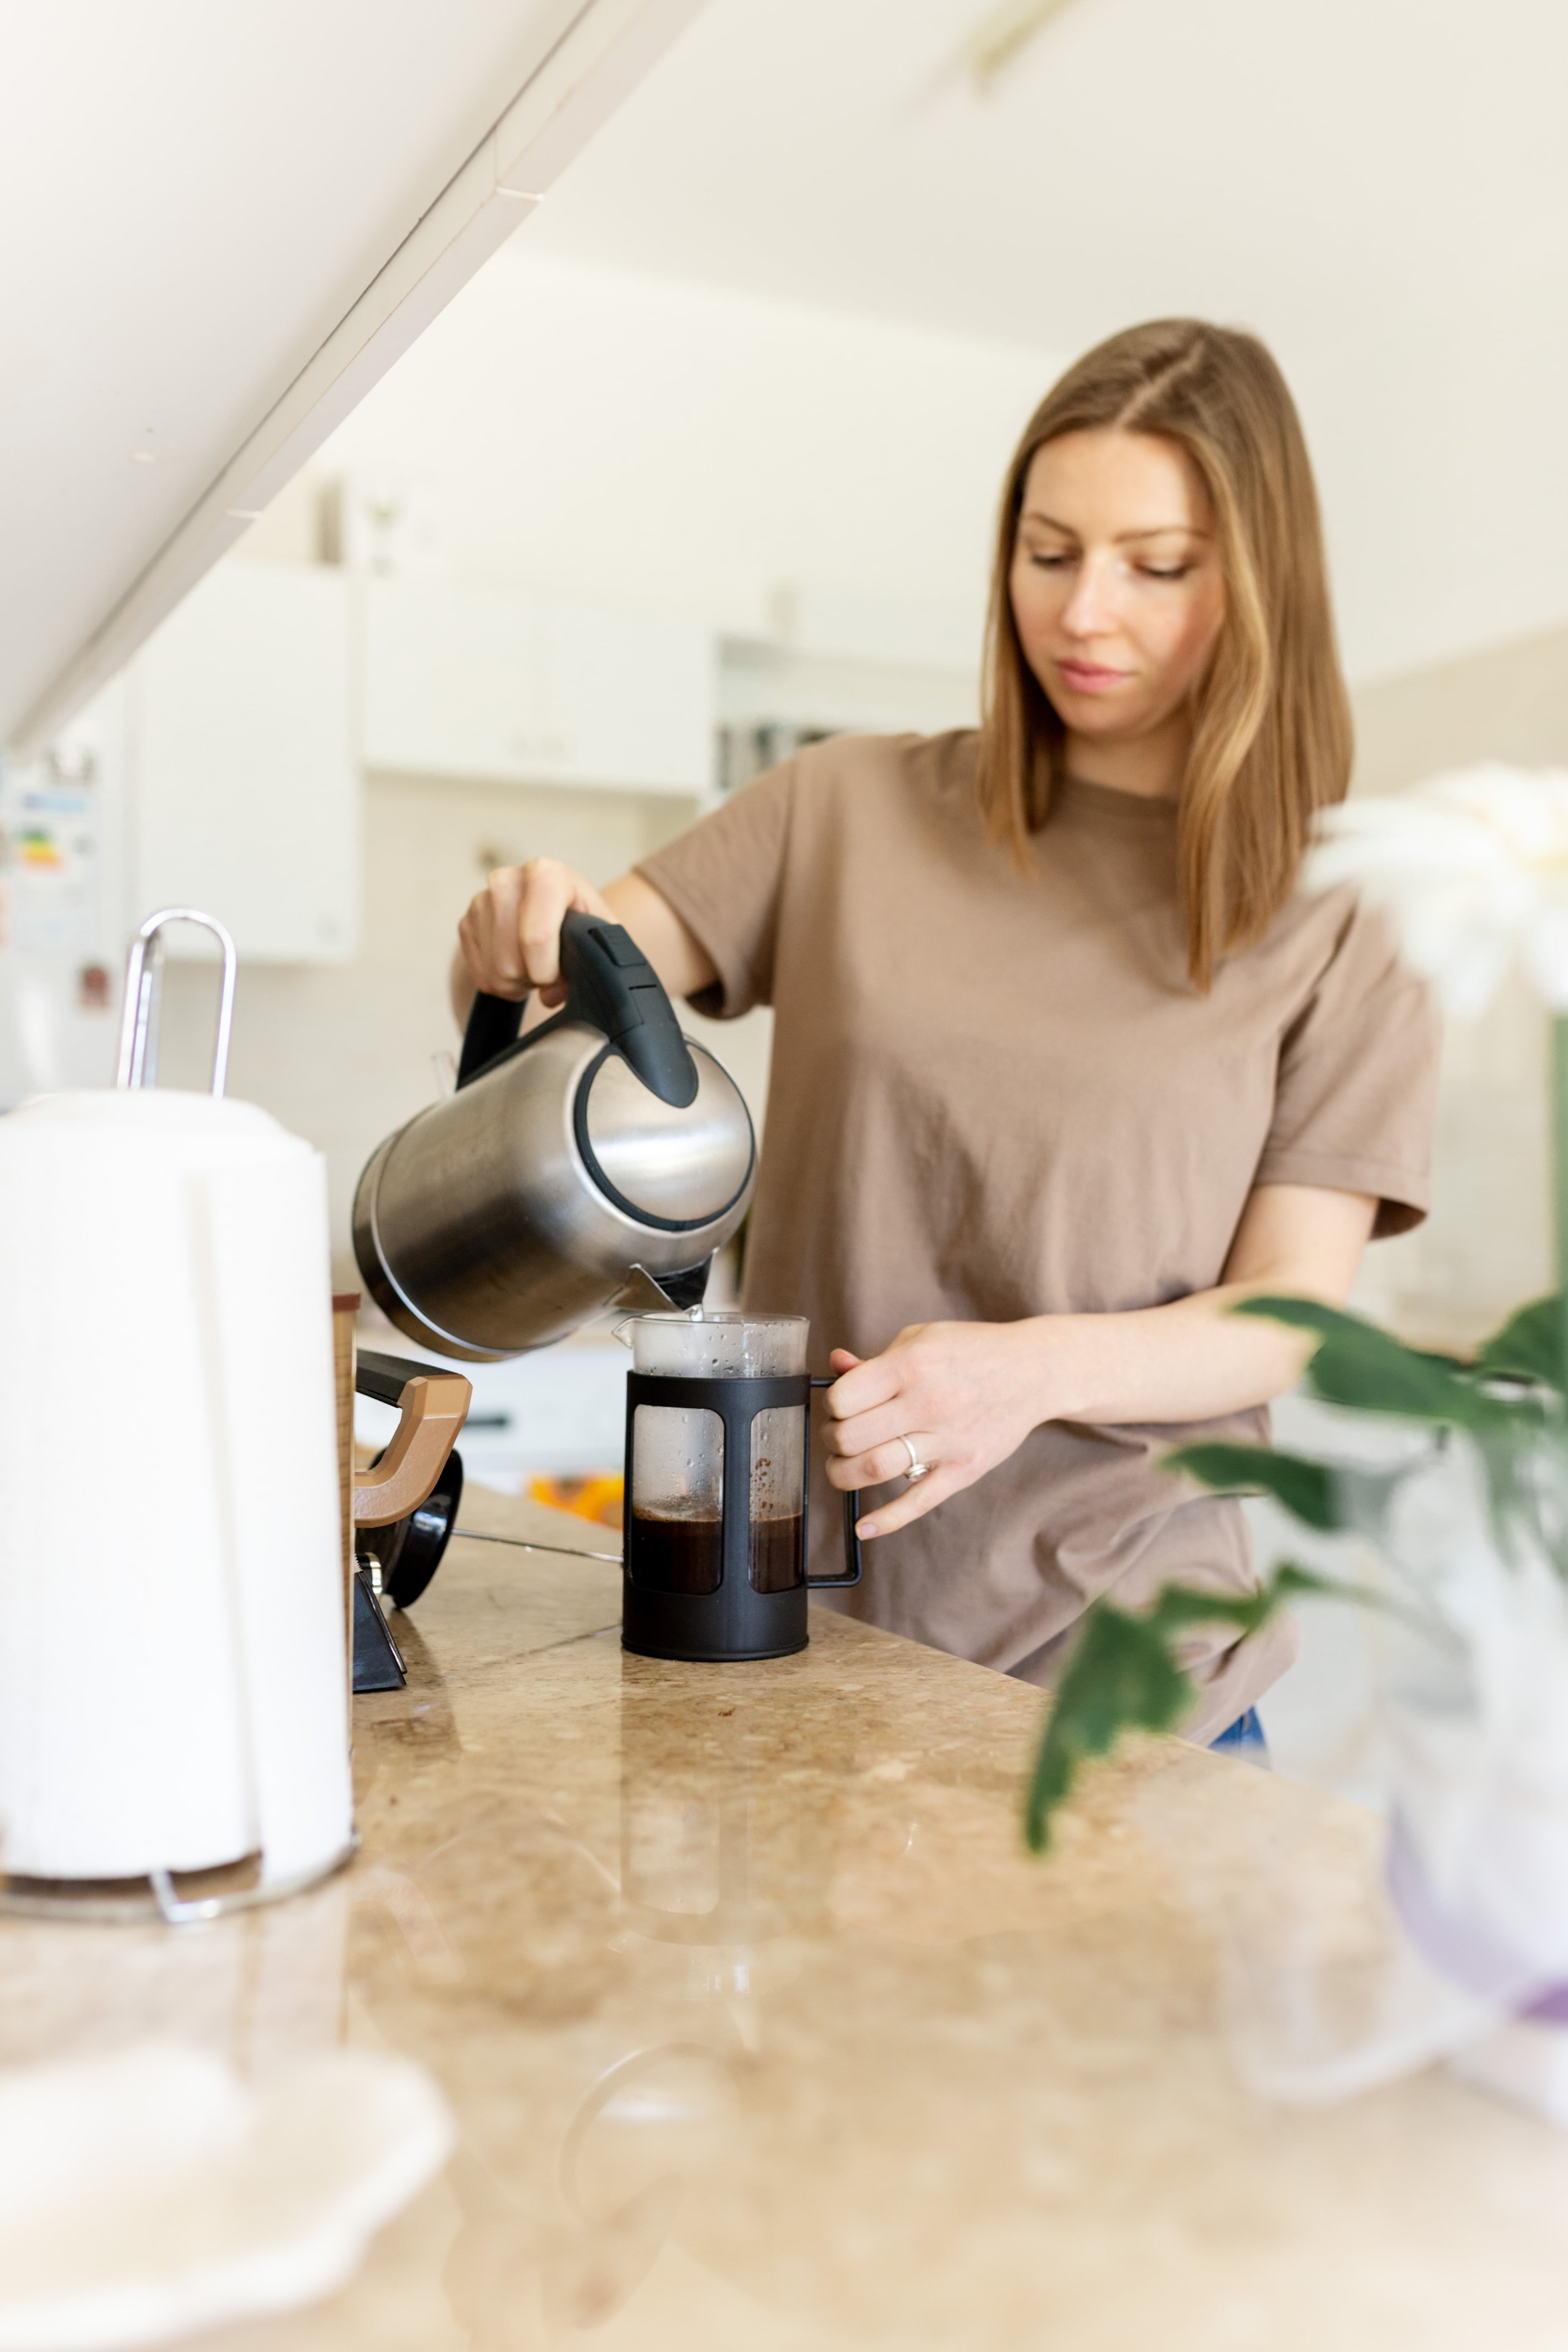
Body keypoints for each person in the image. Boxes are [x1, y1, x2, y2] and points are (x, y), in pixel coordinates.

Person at [450, 318, 1439, 1745]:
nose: (1085, 613)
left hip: (1134, 1686)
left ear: (1261, 579)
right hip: (802, 1645)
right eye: (1049, 554)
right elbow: (570, 1011)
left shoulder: (1348, 907)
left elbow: (1290, 1311)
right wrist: (516, 933)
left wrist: (1025, 1373)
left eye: (1157, 567)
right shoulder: (841, 808)